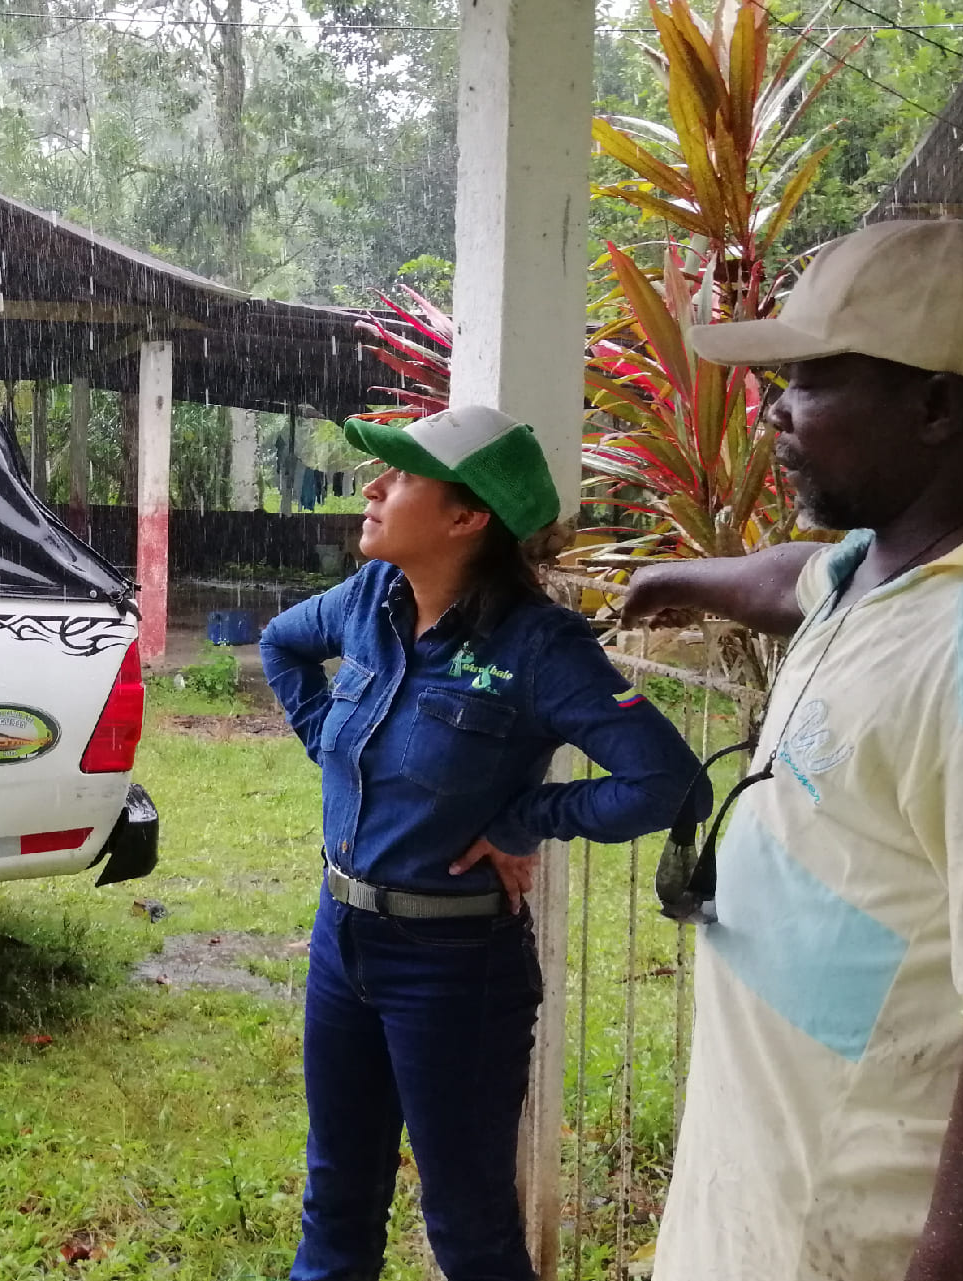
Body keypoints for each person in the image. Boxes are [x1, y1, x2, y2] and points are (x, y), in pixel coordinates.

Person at [625, 219, 963, 1281]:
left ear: (936, 406)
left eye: (809, 381)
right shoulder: (892, 568)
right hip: (771, 1204)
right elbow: (792, 579)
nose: (775, 412)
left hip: (877, 1242)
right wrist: (670, 581)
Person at [260, 405, 709, 1281]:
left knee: (469, 1229)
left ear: (468, 517)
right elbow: (282, 644)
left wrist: (519, 819)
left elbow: (671, 782)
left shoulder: (537, 647)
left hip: (454, 966)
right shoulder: (371, 599)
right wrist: (332, 748)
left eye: (402, 475)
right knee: (336, 1197)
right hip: (341, 938)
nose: (373, 488)